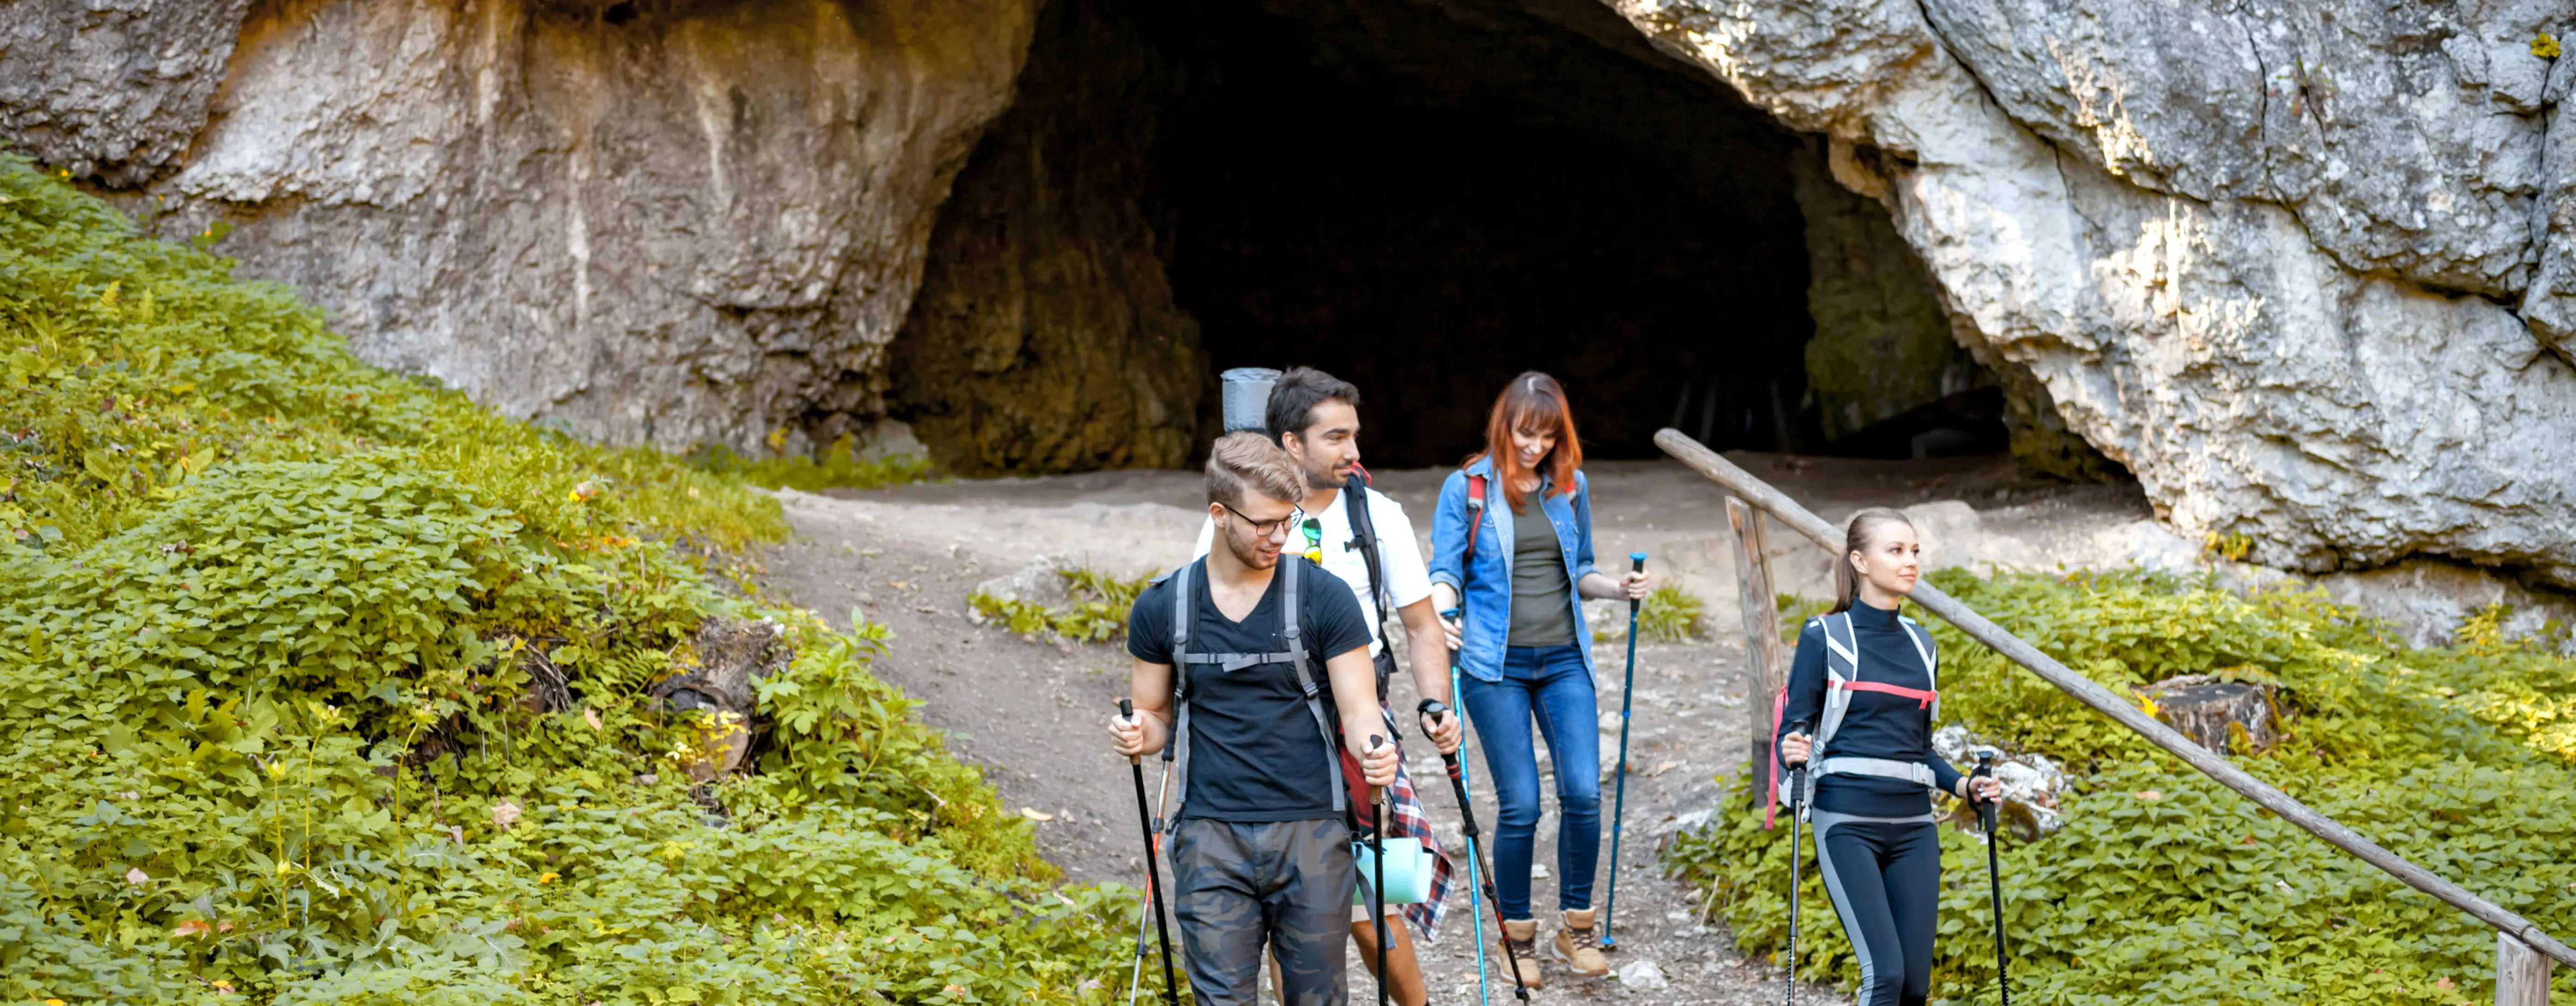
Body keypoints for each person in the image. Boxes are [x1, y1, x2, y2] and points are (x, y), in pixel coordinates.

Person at [1189, 367, 1463, 1006]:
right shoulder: (1236, 520)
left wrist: (1434, 703)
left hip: (1353, 721)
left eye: (1353, 435)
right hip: (1260, 728)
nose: (1352, 451)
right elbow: (1199, 607)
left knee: (1371, 904)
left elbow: (1421, 625)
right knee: (1284, 906)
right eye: (1335, 437)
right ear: (1291, 442)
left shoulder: (1378, 516)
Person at [1109, 431, 1400, 1006]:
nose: (1278, 536)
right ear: (1218, 515)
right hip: (1209, 836)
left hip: (1312, 831)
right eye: (1263, 523)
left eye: (1287, 520)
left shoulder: (1325, 597)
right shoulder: (1162, 606)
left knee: (1317, 998)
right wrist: (1138, 733)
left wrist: (1375, 748)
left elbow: (1359, 707)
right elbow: (1155, 715)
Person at [1425, 371, 1648, 988]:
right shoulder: (1467, 488)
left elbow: (1581, 569)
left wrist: (1617, 588)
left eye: (1547, 436)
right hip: (1492, 666)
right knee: (1521, 802)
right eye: (1526, 433)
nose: (1534, 446)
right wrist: (1442, 612)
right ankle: (1515, 936)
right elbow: (1444, 569)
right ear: (1504, 425)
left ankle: (1576, 927)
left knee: (1583, 791)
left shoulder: (1570, 485)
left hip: (1564, 659)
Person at [1775, 508, 2003, 1006]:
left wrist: (1965, 785)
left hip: (1914, 827)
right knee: (1885, 976)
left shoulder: (1922, 645)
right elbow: (1794, 728)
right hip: (1845, 822)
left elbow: (1919, 750)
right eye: (1895, 550)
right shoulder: (1823, 637)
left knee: (1914, 988)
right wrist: (1791, 749)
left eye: (1914, 551)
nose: (1910, 561)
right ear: (1859, 560)